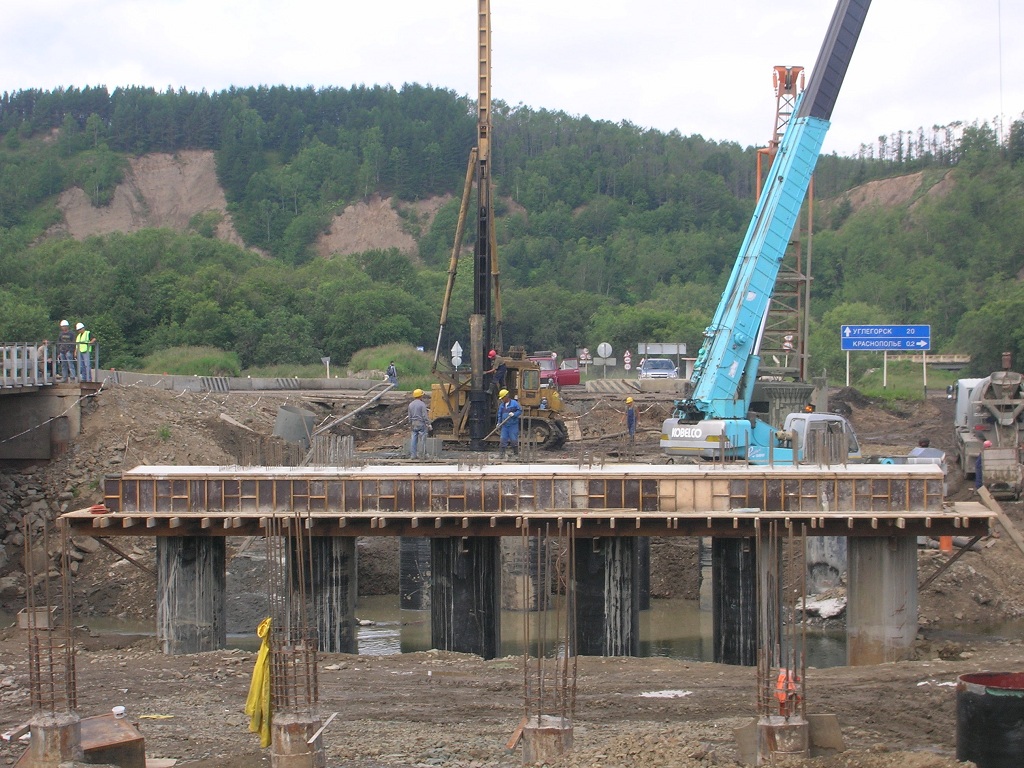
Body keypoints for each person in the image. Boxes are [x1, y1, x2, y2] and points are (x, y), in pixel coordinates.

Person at [497, 388, 522, 459]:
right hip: (504, 426)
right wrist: (499, 423)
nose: (502, 399)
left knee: (514, 440)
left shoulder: (514, 403)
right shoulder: (502, 405)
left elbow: (520, 411)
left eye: (502, 398)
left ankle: (516, 454)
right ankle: (501, 455)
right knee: (503, 440)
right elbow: (500, 414)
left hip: (512, 425)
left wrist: (514, 414)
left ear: (506, 397)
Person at [408, 388, 429, 459]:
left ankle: (413, 455)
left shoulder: (410, 405)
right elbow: (424, 415)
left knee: (413, 439)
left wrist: (410, 423)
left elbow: (409, 416)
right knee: (423, 439)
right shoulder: (422, 404)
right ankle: (423, 455)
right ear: (420, 396)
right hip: (421, 423)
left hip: (413, 423)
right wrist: (428, 423)